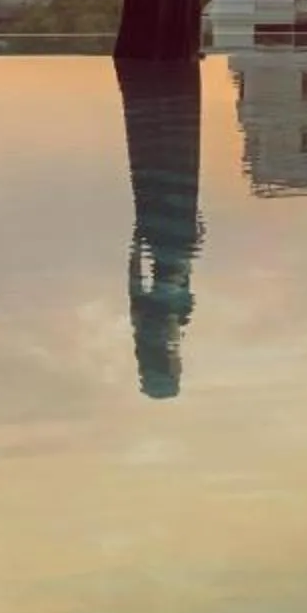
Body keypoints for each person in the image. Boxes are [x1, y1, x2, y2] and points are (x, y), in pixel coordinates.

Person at [114, 56, 203, 398]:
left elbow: (138, 281)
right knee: (167, 184)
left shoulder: (158, 327)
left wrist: (137, 245)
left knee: (165, 184)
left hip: (170, 243)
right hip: (172, 244)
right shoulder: (166, 328)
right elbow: (142, 282)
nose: (179, 366)